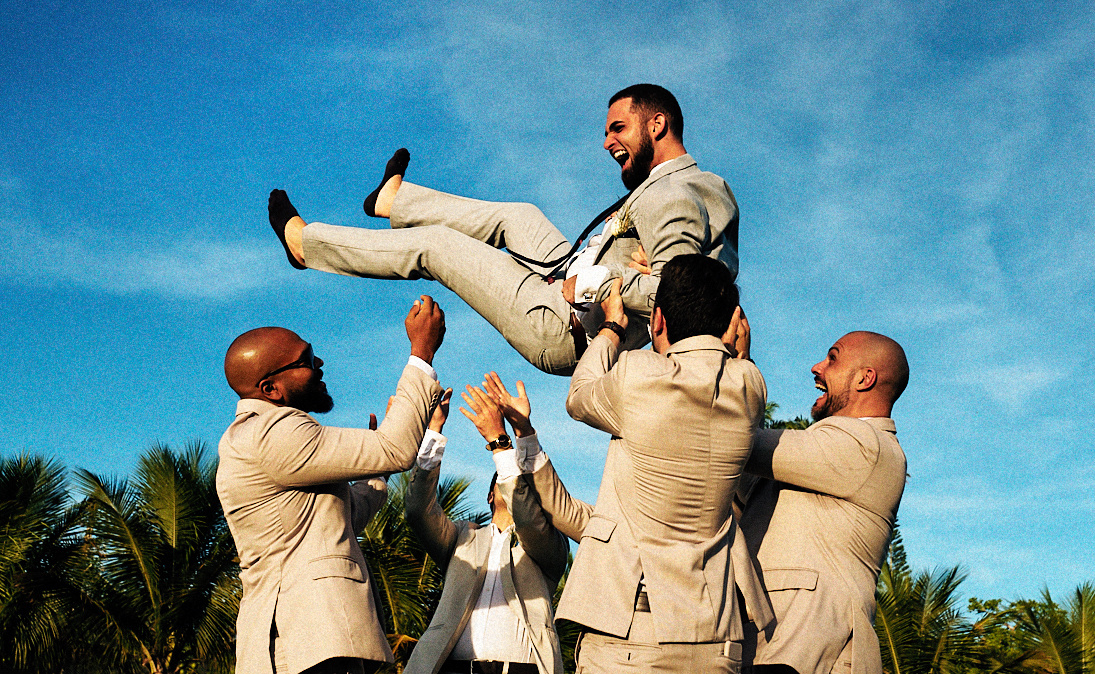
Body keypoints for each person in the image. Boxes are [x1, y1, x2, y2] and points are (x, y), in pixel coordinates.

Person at [266, 84, 739, 376]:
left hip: (569, 325)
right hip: (574, 276)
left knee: (437, 246)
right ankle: (395, 201)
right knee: (521, 215)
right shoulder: (677, 186)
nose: (607, 142)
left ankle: (308, 247)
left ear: (657, 124)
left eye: (618, 128)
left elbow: (682, 303)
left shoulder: (675, 194)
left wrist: (594, 283)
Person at [483, 254, 775, 674]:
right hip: (716, 636)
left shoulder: (638, 372)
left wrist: (611, 328)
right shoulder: (749, 384)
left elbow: (579, 396)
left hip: (634, 632)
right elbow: (728, 366)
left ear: (657, 321)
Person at [216, 296, 447, 674]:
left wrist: (375, 470)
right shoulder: (276, 431)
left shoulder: (257, 438)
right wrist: (422, 352)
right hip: (310, 634)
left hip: (307, 637)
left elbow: (342, 522)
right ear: (271, 389)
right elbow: (396, 448)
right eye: (306, 361)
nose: (319, 364)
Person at [737, 331, 909, 674]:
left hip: (804, 658)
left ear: (865, 378)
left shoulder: (867, 445)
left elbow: (734, 440)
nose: (817, 367)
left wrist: (739, 367)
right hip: (771, 653)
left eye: (833, 357)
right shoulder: (821, 457)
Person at [402, 382, 569, 674]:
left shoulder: (549, 545)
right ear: (490, 495)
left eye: (521, 484)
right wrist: (434, 432)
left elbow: (529, 519)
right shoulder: (459, 539)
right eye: (504, 480)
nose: (515, 487)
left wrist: (501, 443)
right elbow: (417, 510)